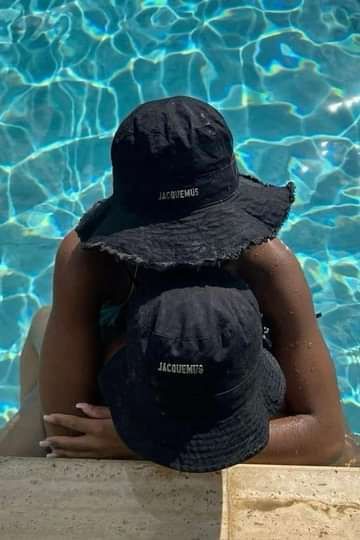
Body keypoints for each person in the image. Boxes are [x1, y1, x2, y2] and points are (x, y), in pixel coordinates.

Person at [1, 96, 359, 465]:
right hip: (128, 388)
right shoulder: (86, 260)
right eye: (164, 234)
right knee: (43, 336)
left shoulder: (266, 263)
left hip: (219, 390)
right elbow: (67, 429)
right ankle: (29, 405)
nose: (182, 247)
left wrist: (141, 442)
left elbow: (327, 437)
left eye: (199, 229)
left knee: (349, 455)